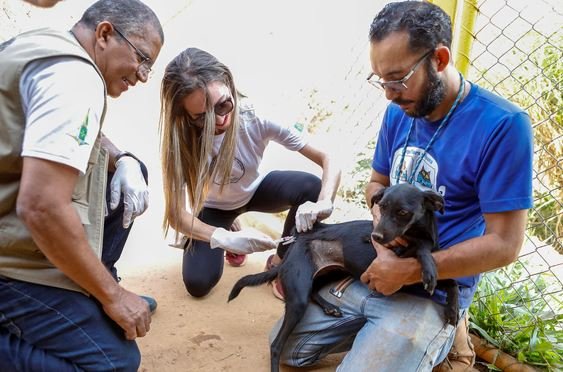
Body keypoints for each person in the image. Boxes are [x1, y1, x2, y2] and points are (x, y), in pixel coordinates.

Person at [270, 2, 533, 371]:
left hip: (433, 285)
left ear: (439, 59)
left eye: (397, 78)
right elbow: (378, 182)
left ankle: (447, 331)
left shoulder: (503, 125)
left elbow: (505, 245)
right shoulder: (401, 110)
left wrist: (408, 270)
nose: (388, 94)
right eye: (380, 80)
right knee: (285, 351)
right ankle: (378, 329)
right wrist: (385, 239)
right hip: (382, 265)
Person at [0, 0, 164, 370]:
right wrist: (114, 296)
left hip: (15, 238)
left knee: (128, 167)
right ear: (105, 34)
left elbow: (62, 129)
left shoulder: (45, 47)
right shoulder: (77, 78)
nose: (141, 75)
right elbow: (41, 206)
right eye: (141, 58)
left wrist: (122, 159)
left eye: (148, 68)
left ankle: (90, 286)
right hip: (11, 264)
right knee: (114, 361)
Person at [159, 47, 341, 298]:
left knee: (310, 187)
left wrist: (325, 201)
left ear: (230, 84)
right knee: (198, 284)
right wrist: (222, 238)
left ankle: (280, 265)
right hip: (214, 207)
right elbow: (176, 214)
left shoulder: (255, 117)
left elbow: (328, 157)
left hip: (255, 190)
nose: (220, 120)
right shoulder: (178, 139)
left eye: (223, 104)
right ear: (185, 116)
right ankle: (231, 229)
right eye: (203, 118)